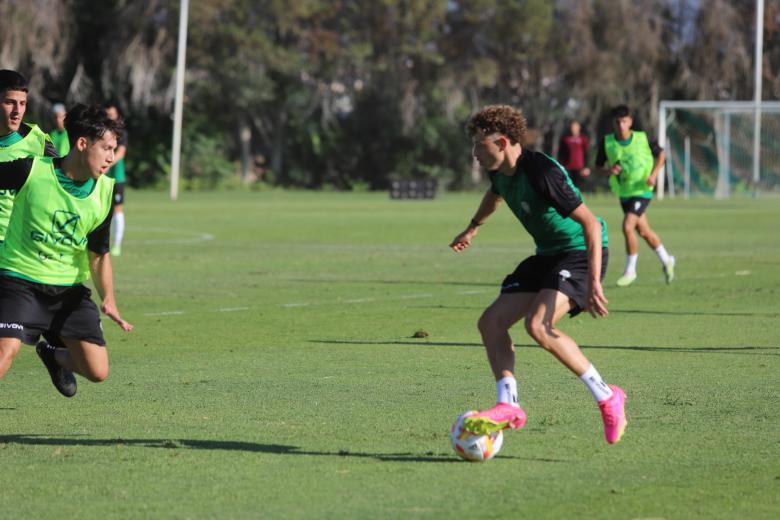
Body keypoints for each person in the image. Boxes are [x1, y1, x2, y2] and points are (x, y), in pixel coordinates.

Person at [449, 105, 627, 445]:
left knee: (538, 326)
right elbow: (495, 195)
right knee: (491, 322)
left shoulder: (542, 172)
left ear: (502, 142)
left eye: (479, 145)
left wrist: (594, 282)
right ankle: (508, 405)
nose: (474, 154)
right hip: (547, 255)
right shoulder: (499, 171)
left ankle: (608, 397)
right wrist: (472, 228)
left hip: (579, 252)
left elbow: (590, 224)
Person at [0, 104, 133, 398]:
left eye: (115, 149)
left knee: (98, 371)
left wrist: (108, 298)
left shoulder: (104, 193)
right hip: (20, 281)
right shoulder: (31, 170)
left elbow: (98, 252)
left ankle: (53, 355)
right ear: (82, 144)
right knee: (4, 354)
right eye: (106, 148)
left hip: (68, 292)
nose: (112, 157)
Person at [596, 105, 675, 287]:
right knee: (644, 232)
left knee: (627, 226)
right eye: (618, 122)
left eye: (624, 121)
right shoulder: (607, 142)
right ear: (614, 123)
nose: (621, 125)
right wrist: (609, 171)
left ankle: (631, 270)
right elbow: (598, 168)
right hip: (625, 193)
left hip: (643, 191)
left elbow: (661, 155)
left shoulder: (642, 138)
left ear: (630, 122)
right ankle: (666, 259)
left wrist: (654, 175)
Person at [0, 70, 59, 243]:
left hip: (16, 248)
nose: (17, 111)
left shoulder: (38, 143)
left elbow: (61, 186)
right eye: (10, 102)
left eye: (22, 103)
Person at [103, 100, 127, 256]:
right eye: (107, 115)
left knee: (117, 210)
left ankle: (117, 244)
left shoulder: (122, 133)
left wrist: (108, 164)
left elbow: (121, 152)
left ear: (117, 115)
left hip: (116, 177)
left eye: (112, 115)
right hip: (101, 176)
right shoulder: (101, 132)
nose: (110, 118)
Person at [558, 120, 592, 191]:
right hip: (568, 167)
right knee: (568, 187)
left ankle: (578, 201)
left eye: (575, 126)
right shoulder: (565, 139)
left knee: (578, 188)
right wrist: (560, 166)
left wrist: (587, 167)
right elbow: (561, 154)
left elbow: (587, 153)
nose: (573, 128)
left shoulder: (583, 139)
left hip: (579, 167)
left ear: (579, 127)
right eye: (572, 126)